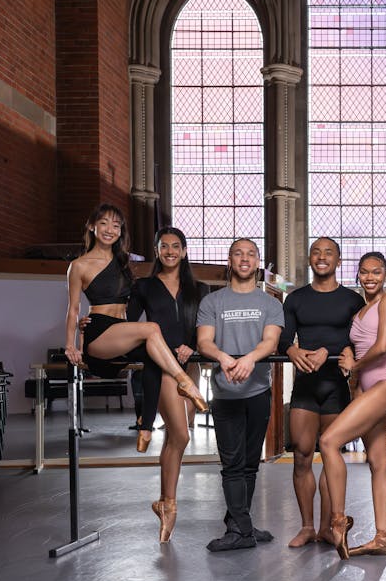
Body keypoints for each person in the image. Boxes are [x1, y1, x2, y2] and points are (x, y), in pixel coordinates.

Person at [63, 204, 208, 424]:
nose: (110, 229)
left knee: (155, 355)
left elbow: (128, 309)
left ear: (121, 231)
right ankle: (186, 382)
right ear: (92, 226)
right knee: (151, 329)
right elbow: (73, 308)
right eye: (103, 223)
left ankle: (145, 426)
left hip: (120, 331)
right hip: (100, 329)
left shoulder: (123, 262)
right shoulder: (79, 265)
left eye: (116, 225)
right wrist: (71, 344)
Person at [197, 238, 284, 552]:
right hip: (225, 393)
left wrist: (248, 359)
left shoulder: (271, 303)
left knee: (249, 464)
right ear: (230, 260)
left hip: (257, 392)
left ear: (257, 262)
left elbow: (271, 341)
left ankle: (240, 525)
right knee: (232, 464)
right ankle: (241, 530)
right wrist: (222, 357)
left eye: (251, 253)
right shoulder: (213, 301)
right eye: (238, 253)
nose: (244, 258)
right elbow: (204, 341)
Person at [279, 237, 364, 548]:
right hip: (305, 386)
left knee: (331, 456)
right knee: (302, 455)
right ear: (310, 259)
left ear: (338, 261)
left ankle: (329, 527)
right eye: (316, 251)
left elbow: (358, 338)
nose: (322, 257)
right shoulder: (296, 298)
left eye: (329, 252)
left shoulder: (353, 300)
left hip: (335, 388)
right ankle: (306, 527)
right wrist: (291, 350)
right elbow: (284, 337)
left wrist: (330, 349)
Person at [125, 226, 209, 541]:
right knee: (182, 436)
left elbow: (205, 327)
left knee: (175, 437)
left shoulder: (199, 289)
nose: (170, 251)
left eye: (176, 246)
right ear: (158, 251)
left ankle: (163, 501)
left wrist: (194, 345)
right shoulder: (144, 286)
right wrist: (95, 325)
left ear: (184, 251)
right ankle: (170, 504)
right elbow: (130, 326)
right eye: (164, 246)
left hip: (191, 367)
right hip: (162, 369)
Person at [319, 252, 386, 560]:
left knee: (328, 441)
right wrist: (352, 371)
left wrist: (353, 365)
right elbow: (357, 344)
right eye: (365, 272)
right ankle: (382, 538)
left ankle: (338, 522)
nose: (370, 277)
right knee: (378, 462)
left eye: (376, 272)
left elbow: (381, 348)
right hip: (367, 387)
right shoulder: (362, 308)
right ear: (358, 275)